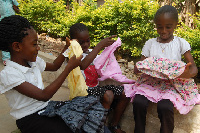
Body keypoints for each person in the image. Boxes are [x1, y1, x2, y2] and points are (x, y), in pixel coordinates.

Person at [0, 15, 109, 133]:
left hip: (46, 108)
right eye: (34, 44)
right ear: (17, 46)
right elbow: (43, 95)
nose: (38, 48)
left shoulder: (34, 62)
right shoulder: (9, 74)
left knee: (89, 110)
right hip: (30, 119)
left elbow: (55, 66)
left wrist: (67, 47)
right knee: (76, 127)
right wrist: (68, 68)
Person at [130, 5, 200, 133]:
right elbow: (140, 65)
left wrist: (187, 73)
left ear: (175, 25)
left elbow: (193, 67)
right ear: (155, 26)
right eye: (159, 27)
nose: (163, 30)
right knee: (139, 102)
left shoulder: (180, 43)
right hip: (151, 82)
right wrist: (138, 67)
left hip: (171, 84)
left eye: (168, 27)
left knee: (165, 106)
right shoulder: (150, 43)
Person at [69, 23, 131, 133]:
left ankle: (114, 124)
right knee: (108, 95)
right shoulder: (72, 56)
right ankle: (100, 126)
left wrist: (111, 51)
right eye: (81, 42)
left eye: (87, 40)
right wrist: (99, 46)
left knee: (125, 93)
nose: (85, 45)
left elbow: (104, 62)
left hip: (96, 88)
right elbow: (83, 64)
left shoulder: (92, 54)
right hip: (83, 92)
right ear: (72, 42)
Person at [0, 0, 20, 66]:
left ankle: (13, 57)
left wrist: (16, 8)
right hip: (3, 20)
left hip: (12, 20)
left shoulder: (11, 0)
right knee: (4, 39)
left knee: (13, 38)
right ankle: (6, 59)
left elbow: (17, 9)